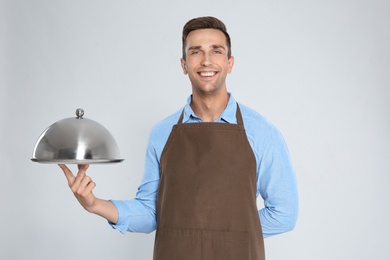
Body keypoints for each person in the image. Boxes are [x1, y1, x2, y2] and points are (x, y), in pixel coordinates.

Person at [59, 16, 298, 260]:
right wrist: (94, 204)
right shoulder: (162, 133)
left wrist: (229, 234)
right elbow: (152, 212)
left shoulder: (262, 132)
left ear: (229, 63)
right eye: (196, 52)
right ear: (184, 64)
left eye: (216, 51)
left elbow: (284, 213)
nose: (206, 60)